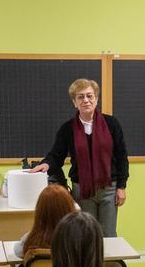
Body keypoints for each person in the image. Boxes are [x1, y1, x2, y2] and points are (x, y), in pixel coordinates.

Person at [30, 79, 129, 237]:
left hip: (109, 189)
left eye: (90, 96)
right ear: (74, 102)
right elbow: (56, 155)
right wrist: (46, 165)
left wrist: (122, 187)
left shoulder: (112, 124)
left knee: (108, 235)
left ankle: (107, 263)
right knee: (86, 234)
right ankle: (87, 263)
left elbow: (122, 156)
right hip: (82, 190)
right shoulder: (67, 129)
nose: (86, 100)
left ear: (96, 99)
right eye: (80, 97)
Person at [12, 183, 77, 259]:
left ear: (40, 211)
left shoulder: (30, 239)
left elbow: (18, 250)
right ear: (70, 208)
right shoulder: (80, 240)